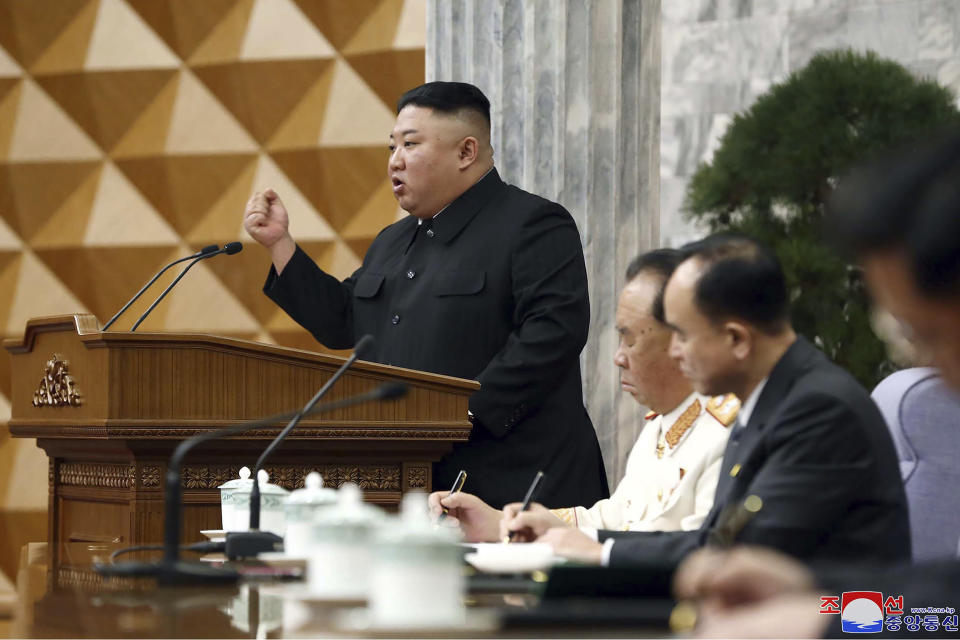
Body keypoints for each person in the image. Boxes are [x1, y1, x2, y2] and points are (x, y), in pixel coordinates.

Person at [243, 81, 608, 508]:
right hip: (415, 483)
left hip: (518, 482)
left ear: (466, 152)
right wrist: (280, 243)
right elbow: (343, 321)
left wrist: (460, 413)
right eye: (391, 147)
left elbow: (553, 332)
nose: (395, 161)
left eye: (410, 145)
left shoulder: (533, 223)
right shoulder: (391, 241)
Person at [673, 133, 960, 638]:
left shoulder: (819, 404)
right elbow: (942, 606)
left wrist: (826, 618)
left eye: (927, 335)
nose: (933, 370)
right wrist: (814, 591)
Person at [512, 233, 910, 570]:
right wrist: (588, 540)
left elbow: (739, 557)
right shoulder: (772, 398)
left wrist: (602, 552)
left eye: (683, 335)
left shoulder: (819, 410)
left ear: (736, 339)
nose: (676, 352)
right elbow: (715, 540)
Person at [428, 249, 738, 547]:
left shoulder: (728, 434)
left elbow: (698, 552)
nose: (618, 357)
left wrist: (584, 545)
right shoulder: (660, 425)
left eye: (629, 339)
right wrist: (497, 523)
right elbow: (617, 517)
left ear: (681, 340)